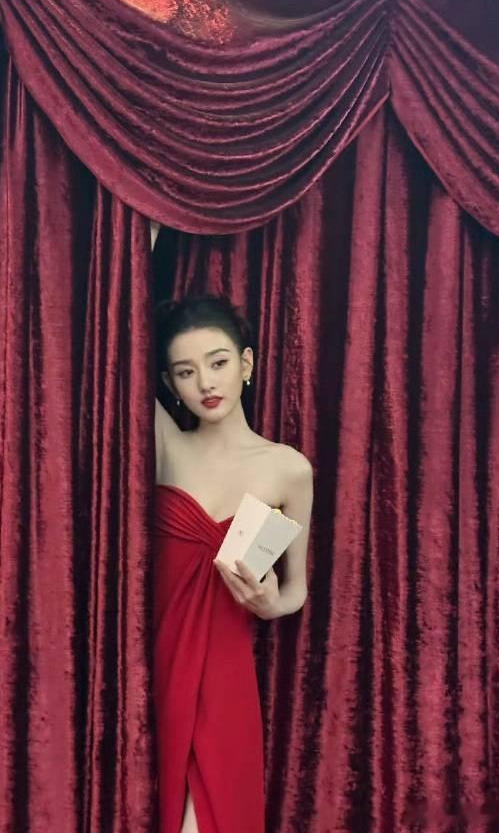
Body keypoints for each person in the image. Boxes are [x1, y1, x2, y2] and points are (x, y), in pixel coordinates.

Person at [153, 293, 313, 833]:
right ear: (170, 382)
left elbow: (296, 590)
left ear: (245, 364)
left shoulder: (288, 469)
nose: (205, 382)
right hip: (155, 667)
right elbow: (106, 336)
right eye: (186, 372)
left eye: (218, 362)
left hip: (226, 669)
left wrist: (270, 605)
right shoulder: (167, 445)